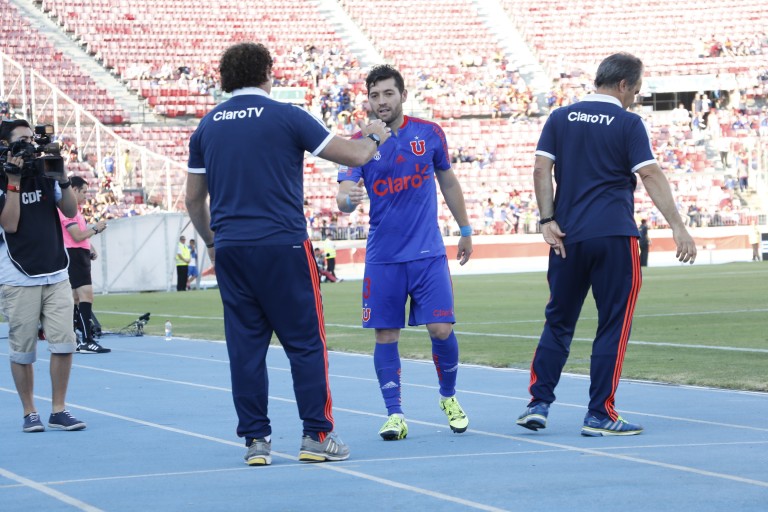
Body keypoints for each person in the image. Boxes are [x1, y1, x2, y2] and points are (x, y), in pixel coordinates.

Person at [185, 42, 391, 466]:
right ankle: (316, 435)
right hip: (282, 244)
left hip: (233, 248)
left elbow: (192, 201)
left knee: (245, 349)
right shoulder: (286, 115)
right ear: (267, 73)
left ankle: (256, 441)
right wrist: (373, 134)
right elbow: (353, 154)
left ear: (226, 78)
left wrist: (211, 242)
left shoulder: (206, 126)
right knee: (305, 344)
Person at [515, 53, 697, 437]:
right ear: (623, 86)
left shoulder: (560, 117)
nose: (635, 98)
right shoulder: (628, 122)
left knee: (559, 322)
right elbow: (648, 172)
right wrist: (678, 227)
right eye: (637, 90)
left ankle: (538, 403)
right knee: (612, 325)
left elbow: (539, 168)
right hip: (614, 236)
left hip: (567, 237)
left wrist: (547, 220)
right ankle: (599, 413)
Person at [336, 64, 474, 441]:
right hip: (383, 257)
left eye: (388, 94)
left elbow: (447, 179)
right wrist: (348, 199)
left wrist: (464, 229)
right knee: (385, 336)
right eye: (375, 95)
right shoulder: (356, 143)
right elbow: (343, 196)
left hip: (428, 254)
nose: (381, 101)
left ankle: (448, 396)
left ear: (402, 95)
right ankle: (394, 414)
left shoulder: (429, 134)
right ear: (368, 100)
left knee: (441, 329)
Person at [0, 119, 87, 432]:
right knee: (23, 349)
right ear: (5, 147)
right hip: (18, 274)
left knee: (64, 343)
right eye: (20, 141)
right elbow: (9, 224)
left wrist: (61, 177)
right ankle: (29, 411)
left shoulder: (44, 169)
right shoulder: (2, 177)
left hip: (56, 270)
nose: (29, 146)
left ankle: (59, 408)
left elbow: (70, 210)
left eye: (30, 139)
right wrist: (13, 181)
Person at [58, 176, 111, 353]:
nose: (85, 196)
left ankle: (76, 338)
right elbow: (77, 236)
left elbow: (80, 235)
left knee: (75, 298)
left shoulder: (74, 210)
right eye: (83, 192)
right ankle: (87, 340)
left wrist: (90, 247)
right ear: (73, 190)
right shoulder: (68, 211)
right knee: (85, 296)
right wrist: (96, 228)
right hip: (74, 255)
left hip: (77, 253)